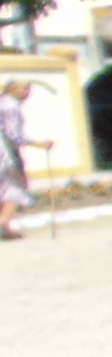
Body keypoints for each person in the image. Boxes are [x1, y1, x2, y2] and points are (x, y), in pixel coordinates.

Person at [0, 78, 48, 240]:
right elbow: (14, 135)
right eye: (24, 89)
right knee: (14, 188)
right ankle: (2, 222)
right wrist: (40, 144)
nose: (27, 93)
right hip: (5, 153)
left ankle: (6, 228)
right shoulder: (11, 107)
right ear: (13, 89)